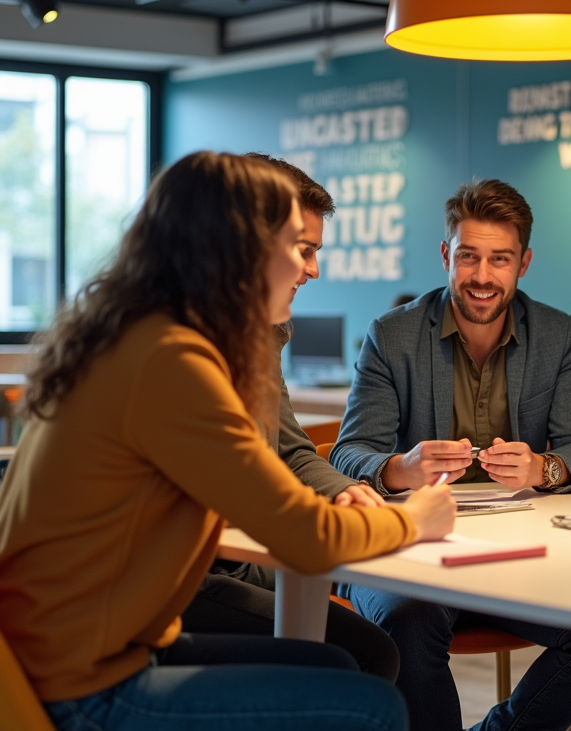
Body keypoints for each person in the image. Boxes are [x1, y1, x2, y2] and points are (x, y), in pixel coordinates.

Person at [0, 152, 456, 731]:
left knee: (341, 663)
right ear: (239, 249)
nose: (308, 269)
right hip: (85, 683)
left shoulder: (137, 337)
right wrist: (415, 519)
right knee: (372, 704)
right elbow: (305, 540)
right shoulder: (173, 362)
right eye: (296, 245)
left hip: (82, 648)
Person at [332, 178, 571, 731]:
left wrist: (543, 467)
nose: (483, 277)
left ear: (523, 263)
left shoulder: (557, 334)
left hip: (515, 557)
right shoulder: (392, 335)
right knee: (408, 623)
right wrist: (400, 468)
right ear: (446, 255)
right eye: (469, 257)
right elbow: (347, 454)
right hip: (408, 556)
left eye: (500, 259)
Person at [180, 153, 401, 681]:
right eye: (304, 250)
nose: (314, 270)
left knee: (385, 638)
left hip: (225, 560)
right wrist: (403, 521)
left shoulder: (260, 331)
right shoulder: (179, 346)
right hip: (172, 579)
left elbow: (292, 450)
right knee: (364, 658)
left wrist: (341, 491)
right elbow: (241, 489)